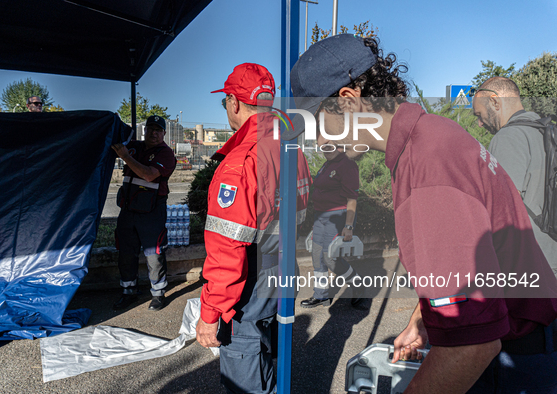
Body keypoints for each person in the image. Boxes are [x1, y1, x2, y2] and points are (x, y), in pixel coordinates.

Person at [284, 34, 557, 393]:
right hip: (527, 342)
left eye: (318, 123)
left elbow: (472, 345)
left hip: (510, 362)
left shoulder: (428, 169)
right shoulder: (434, 134)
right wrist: (422, 318)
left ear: (348, 102)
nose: (320, 142)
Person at [195, 63, 311, 394]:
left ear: (233, 102)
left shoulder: (240, 162)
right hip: (282, 267)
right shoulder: (291, 148)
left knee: (245, 367)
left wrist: (210, 313)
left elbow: (227, 252)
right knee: (271, 354)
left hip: (250, 282)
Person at [472, 77, 557, 277]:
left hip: (533, 263)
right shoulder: (546, 130)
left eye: (480, 114)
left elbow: (500, 208)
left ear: (494, 101)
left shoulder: (507, 137)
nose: (479, 123)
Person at [111, 115, 176, 311]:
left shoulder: (165, 154)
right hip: (128, 209)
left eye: (158, 130)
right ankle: (128, 291)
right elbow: (113, 143)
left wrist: (125, 157)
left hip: (152, 211)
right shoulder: (134, 146)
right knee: (126, 251)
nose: (154, 133)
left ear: (164, 133)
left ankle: (158, 294)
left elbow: (148, 175)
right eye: (150, 129)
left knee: (153, 253)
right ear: (144, 130)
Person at [301, 146, 365, 308]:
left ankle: (357, 284)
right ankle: (320, 295)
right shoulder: (328, 163)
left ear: (341, 146)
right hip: (320, 216)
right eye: (324, 146)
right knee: (317, 256)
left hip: (338, 216)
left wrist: (348, 226)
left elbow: (352, 199)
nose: (326, 149)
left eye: (331, 145)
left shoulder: (347, 164)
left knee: (330, 259)